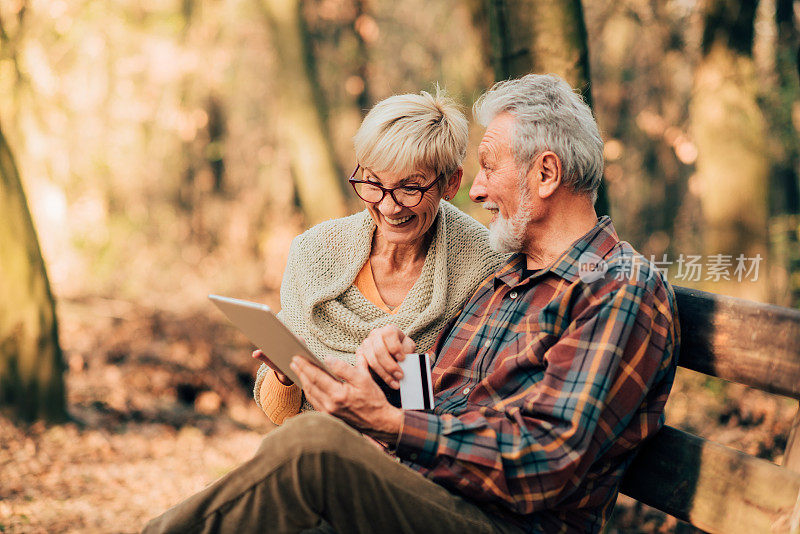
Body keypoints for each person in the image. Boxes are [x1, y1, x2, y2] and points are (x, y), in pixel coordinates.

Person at [143, 74, 679, 534]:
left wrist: (391, 426)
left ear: (546, 174)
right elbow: (448, 406)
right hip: (439, 495)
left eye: (488, 168)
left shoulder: (615, 287)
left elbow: (547, 459)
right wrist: (395, 376)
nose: (477, 190)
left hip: (505, 523)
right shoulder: (512, 277)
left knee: (315, 447)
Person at [252, 90, 507, 425]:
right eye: (373, 183)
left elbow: (469, 410)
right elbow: (280, 417)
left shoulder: (486, 267)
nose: (389, 207)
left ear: (450, 182)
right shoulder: (313, 252)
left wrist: (403, 367)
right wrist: (286, 376)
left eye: (410, 188)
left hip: (415, 462)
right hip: (312, 450)